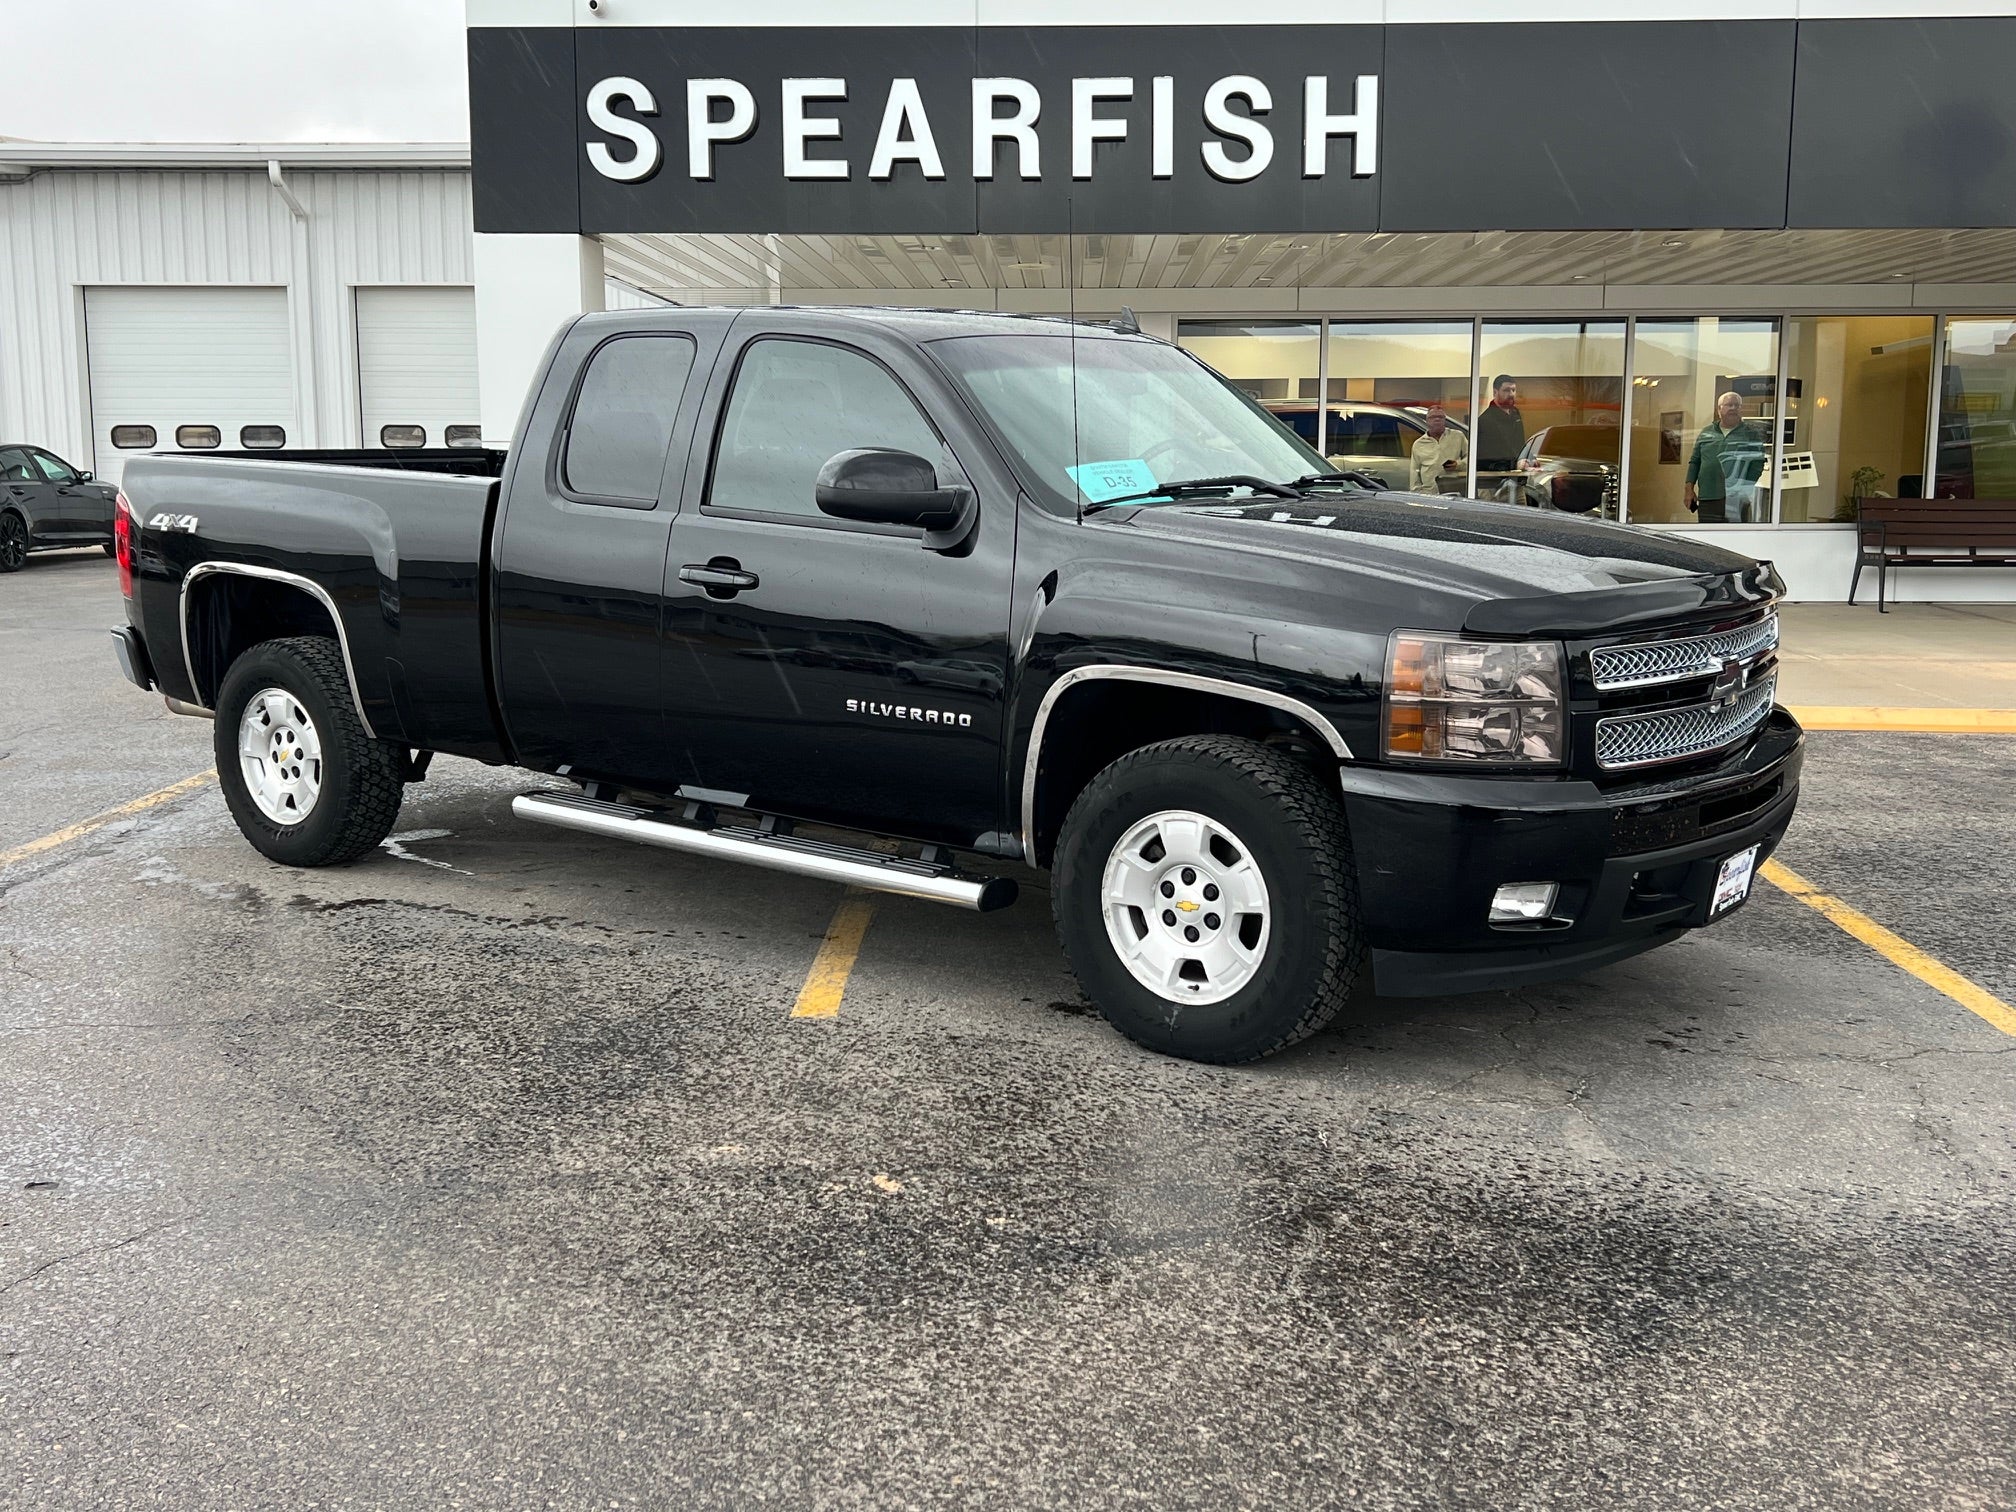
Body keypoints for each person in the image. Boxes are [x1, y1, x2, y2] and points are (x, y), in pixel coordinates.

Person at [1685, 391, 1771, 523]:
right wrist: (1689, 490)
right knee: (1707, 537)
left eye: (1736, 405)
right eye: (1729, 405)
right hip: (1708, 496)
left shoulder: (1750, 435)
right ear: (1719, 409)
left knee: (1734, 538)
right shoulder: (1706, 433)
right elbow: (1695, 462)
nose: (1733, 408)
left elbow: (1757, 464)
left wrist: (1744, 487)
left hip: (1737, 499)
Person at [1408, 404, 1468, 492]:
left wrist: (1458, 464)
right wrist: (1416, 494)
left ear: (1444, 420)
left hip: (1453, 491)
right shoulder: (1419, 444)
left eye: (1440, 417)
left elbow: (1472, 458)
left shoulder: (1458, 436)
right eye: (1433, 417)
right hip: (1429, 493)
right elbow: (1414, 473)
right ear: (1427, 421)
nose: (1437, 419)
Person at [1476, 375, 1525, 474]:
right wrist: (1514, 465)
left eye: (1513, 390)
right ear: (1495, 392)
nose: (1511, 394)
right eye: (1506, 390)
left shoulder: (1515, 414)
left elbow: (1520, 443)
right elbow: (1484, 461)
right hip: (1494, 481)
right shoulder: (1484, 421)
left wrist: (1528, 459)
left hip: (1517, 476)